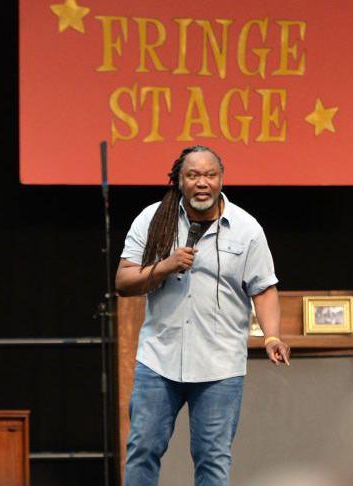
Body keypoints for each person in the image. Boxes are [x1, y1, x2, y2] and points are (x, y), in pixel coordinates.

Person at [116, 145, 291, 486]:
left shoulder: (246, 228)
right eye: (193, 175)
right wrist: (165, 266)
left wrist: (271, 335)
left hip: (219, 365)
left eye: (210, 175)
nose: (202, 183)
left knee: (213, 458)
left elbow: (264, 287)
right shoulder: (153, 219)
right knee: (142, 450)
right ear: (178, 181)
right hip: (160, 360)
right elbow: (124, 281)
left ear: (221, 180)